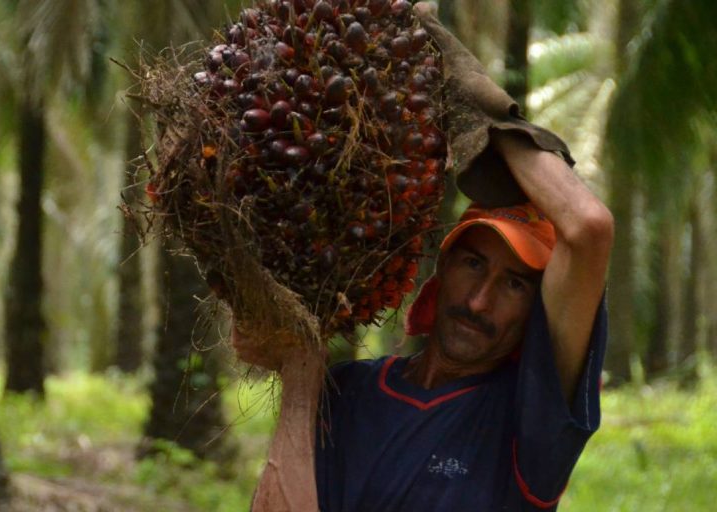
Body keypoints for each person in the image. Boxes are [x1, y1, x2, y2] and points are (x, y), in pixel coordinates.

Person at [231, 4, 615, 511]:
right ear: (441, 266)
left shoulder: (528, 423)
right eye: (473, 263)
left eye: (515, 284)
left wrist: (482, 116)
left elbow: (588, 228)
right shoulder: (344, 393)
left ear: (536, 312)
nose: (479, 301)